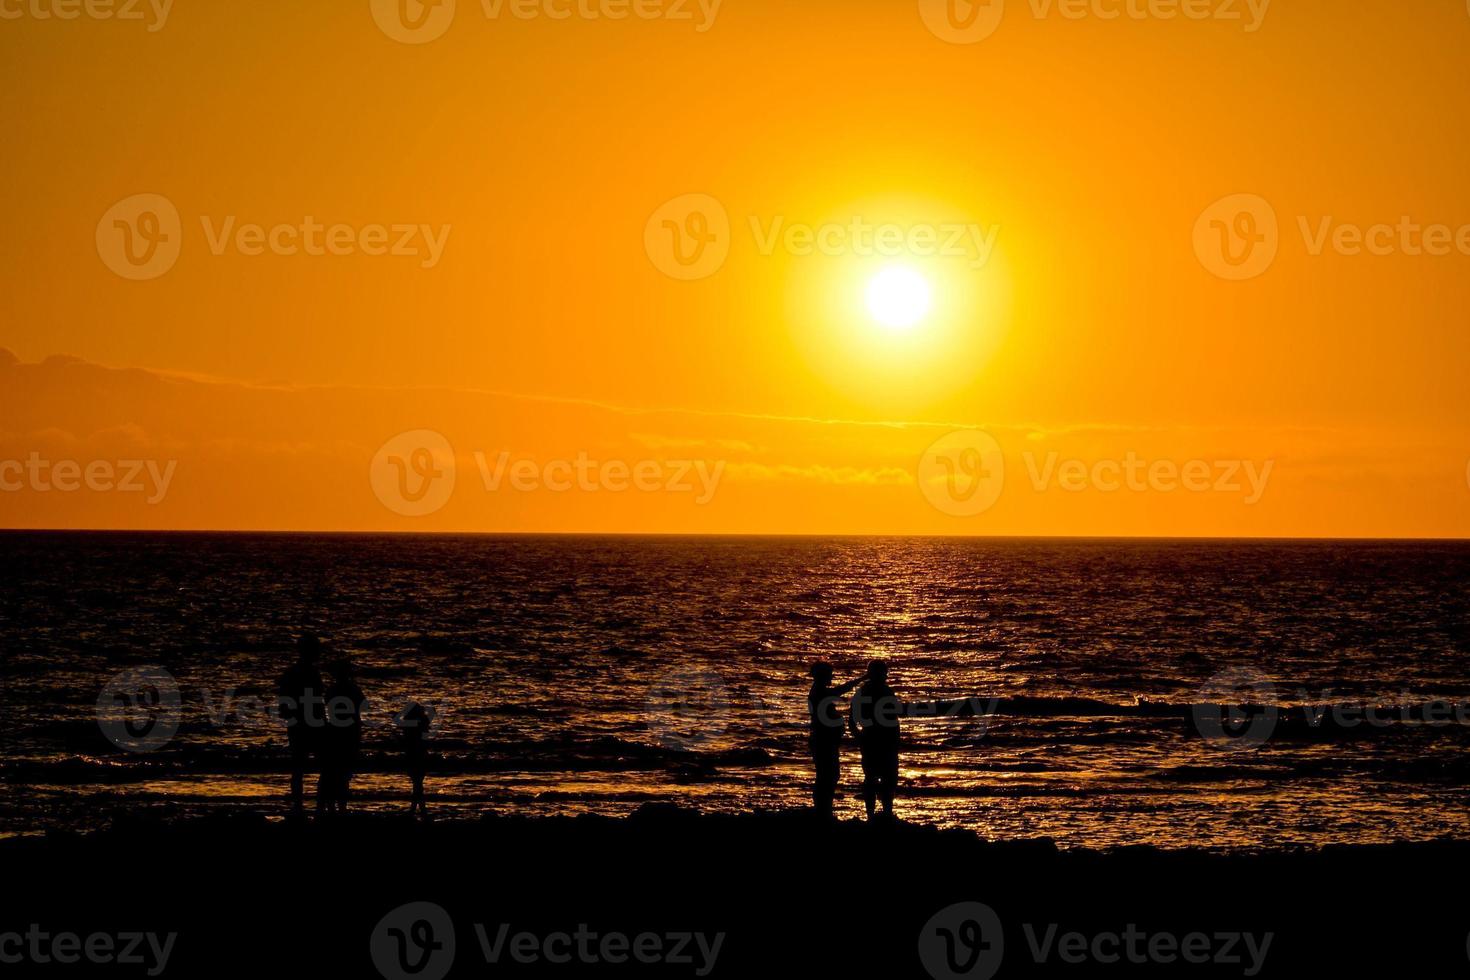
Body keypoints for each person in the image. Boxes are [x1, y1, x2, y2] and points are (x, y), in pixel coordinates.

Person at [807, 663, 867, 818]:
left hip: (826, 741)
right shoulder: (819, 692)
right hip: (823, 741)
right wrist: (862, 679)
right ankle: (823, 810)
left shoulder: (819, 691)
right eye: (829, 674)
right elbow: (841, 690)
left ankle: (823, 809)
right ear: (822, 675)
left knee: (827, 775)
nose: (831, 677)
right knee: (828, 775)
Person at [276, 634, 324, 813]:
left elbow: (284, 704)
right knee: (322, 766)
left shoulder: (291, 673)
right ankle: (319, 805)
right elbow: (317, 702)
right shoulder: (311, 673)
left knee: (298, 767)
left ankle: (299, 805)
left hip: (298, 724)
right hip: (311, 723)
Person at [849, 659, 901, 820]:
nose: (885, 676)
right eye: (884, 673)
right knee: (884, 778)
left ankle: (876, 815)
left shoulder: (865, 692)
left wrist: (860, 737)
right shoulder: (883, 691)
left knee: (875, 778)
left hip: (875, 740)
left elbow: (852, 720)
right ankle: (882, 814)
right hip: (880, 740)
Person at [320, 658, 366, 813]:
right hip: (351, 731)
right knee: (345, 771)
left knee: (334, 770)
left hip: (335, 731)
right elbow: (362, 706)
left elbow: (327, 705)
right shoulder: (354, 689)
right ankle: (342, 806)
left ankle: (332, 805)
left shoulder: (332, 690)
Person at [399, 702, 436, 816]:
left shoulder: (407, 724)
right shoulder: (423, 721)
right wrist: (423, 709)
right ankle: (418, 809)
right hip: (421, 754)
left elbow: (396, 719)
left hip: (411, 754)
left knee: (417, 783)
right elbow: (433, 711)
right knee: (418, 783)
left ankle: (416, 809)